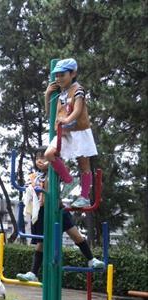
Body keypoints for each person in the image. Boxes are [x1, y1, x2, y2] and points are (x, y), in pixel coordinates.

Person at [17, 147, 104, 282]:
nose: (40, 160)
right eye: (38, 157)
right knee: (41, 243)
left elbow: (66, 170)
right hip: (42, 212)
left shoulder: (55, 172)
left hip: (58, 210)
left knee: (76, 235)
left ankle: (91, 259)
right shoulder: (34, 176)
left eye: (43, 157)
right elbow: (29, 191)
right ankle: (33, 273)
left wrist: (51, 164)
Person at [43, 58, 98, 208]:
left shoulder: (78, 90)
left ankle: (84, 196)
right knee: (49, 154)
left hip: (79, 132)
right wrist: (47, 95)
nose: (58, 78)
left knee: (83, 164)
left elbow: (78, 110)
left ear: (72, 74)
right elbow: (50, 114)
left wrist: (67, 120)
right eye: (57, 75)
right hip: (64, 132)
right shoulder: (60, 93)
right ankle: (69, 180)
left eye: (62, 75)